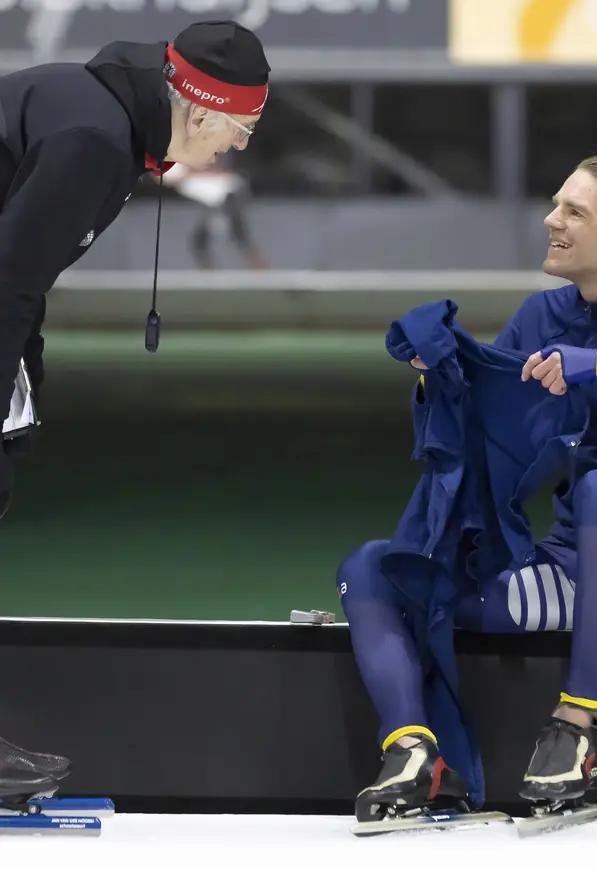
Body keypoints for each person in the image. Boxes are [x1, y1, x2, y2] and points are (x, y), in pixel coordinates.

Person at [337, 155, 597, 823]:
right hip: (573, 576)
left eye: (574, 211)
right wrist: (437, 379)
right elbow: (488, 437)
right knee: (374, 568)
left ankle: (575, 728)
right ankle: (413, 749)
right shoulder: (543, 315)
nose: (551, 220)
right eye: (556, 205)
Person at [0, 19, 270, 806]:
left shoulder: (108, 125)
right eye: (243, 126)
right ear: (200, 105)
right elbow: (8, 280)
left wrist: (24, 383)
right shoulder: (93, 136)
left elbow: (22, 272)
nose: (243, 147)